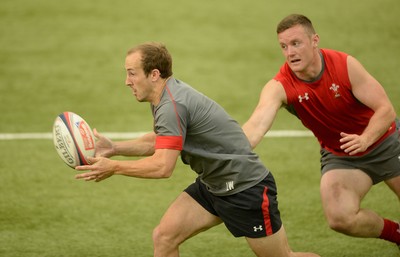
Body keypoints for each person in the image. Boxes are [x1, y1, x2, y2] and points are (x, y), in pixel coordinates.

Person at [74, 42, 320, 257]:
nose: (127, 81)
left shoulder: (172, 104)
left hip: (245, 189)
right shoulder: (165, 96)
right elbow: (160, 141)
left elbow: (162, 166)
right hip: (214, 185)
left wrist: (114, 167)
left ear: (154, 74)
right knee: (164, 236)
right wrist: (114, 148)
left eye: (131, 73)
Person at [242, 14, 400, 249]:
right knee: (340, 217)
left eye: (296, 43)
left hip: (385, 141)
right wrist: (226, 151)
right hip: (341, 155)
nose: (289, 52)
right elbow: (256, 126)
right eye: (283, 47)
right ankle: (397, 234)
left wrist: (366, 139)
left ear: (314, 40)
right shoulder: (280, 86)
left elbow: (386, 110)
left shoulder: (344, 65)